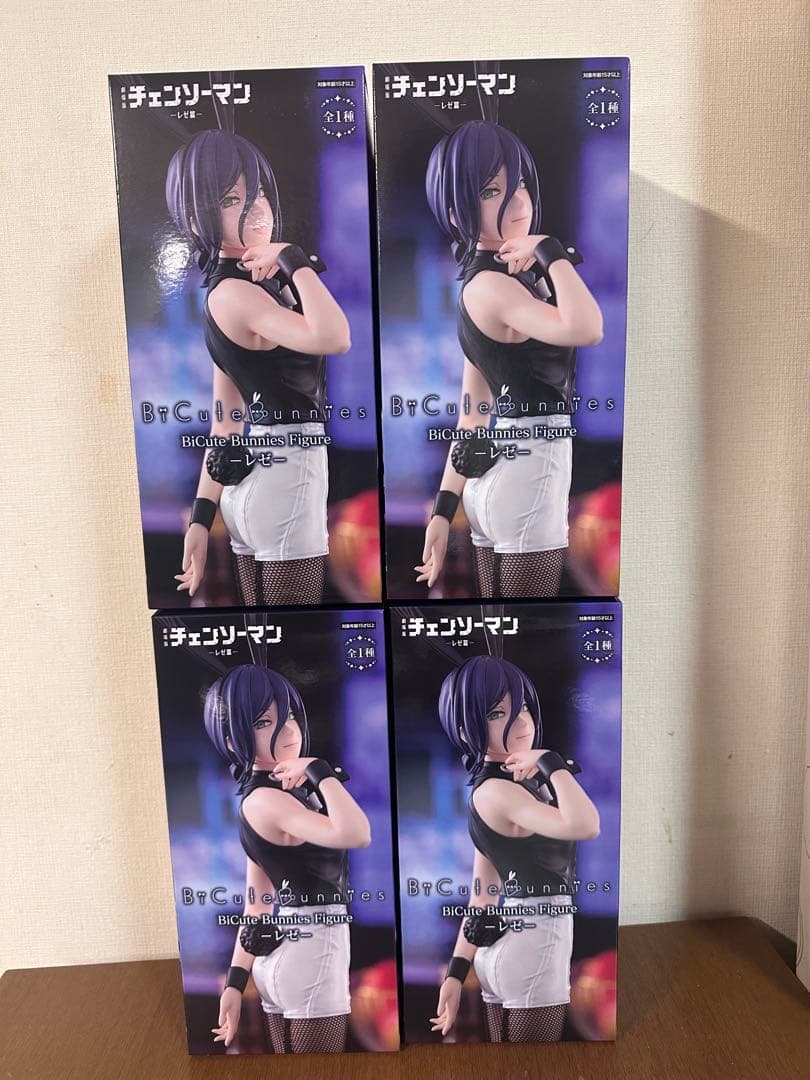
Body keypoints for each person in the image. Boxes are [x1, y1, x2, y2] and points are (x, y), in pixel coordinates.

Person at [418, 121, 603, 598]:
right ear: (456, 213)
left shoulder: (484, 283)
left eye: (519, 184)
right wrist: (552, 252)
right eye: (491, 191)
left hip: (496, 480)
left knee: (502, 628)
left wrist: (442, 511)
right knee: (525, 627)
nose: (518, 202)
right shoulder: (494, 287)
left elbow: (472, 415)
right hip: (529, 475)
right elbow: (588, 328)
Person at [166, 130, 351, 605]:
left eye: (260, 193)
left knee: (269, 633)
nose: (257, 210)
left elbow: (225, 420)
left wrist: (200, 519)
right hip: (286, 478)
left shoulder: (236, 289)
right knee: (291, 630)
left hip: (254, 482)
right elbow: (336, 337)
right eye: (233, 200)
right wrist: (295, 260)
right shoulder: (237, 294)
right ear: (196, 219)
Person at [204, 664, 371, 1053]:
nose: (288, 730)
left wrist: (234, 983)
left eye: (290, 715)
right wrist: (320, 771)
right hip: (313, 953)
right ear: (232, 741)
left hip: (283, 955)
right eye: (265, 722)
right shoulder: (269, 800)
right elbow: (358, 833)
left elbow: (257, 903)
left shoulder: (266, 797)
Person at [432, 655, 599, 1043]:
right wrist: (553, 763)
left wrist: (455, 973)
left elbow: (483, 896)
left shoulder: (496, 789)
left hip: (507, 949)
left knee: (509, 1064)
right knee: (535, 1066)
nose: (521, 722)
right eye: (497, 713)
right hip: (535, 946)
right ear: (466, 730)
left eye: (523, 707)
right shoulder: (499, 792)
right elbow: (586, 825)